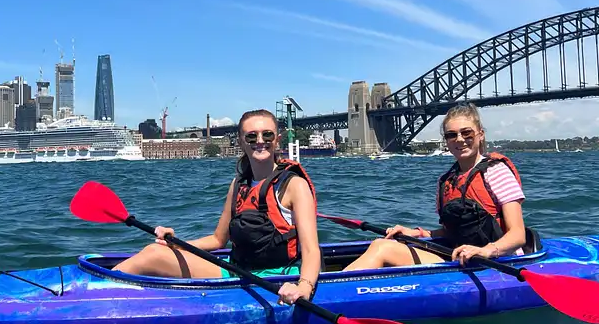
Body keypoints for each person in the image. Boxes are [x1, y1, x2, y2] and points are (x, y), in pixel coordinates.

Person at [112, 109, 322, 305]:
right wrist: (175, 243)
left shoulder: (294, 185)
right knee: (156, 250)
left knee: (153, 256)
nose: (260, 141)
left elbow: (311, 249)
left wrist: (304, 287)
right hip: (237, 272)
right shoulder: (239, 184)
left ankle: (96, 294)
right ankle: (99, 290)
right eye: (251, 136)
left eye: (267, 135)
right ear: (241, 141)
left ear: (277, 139)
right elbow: (218, 240)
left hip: (276, 277)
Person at [344, 102, 526, 270]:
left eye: (467, 133)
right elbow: (452, 233)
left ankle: (329, 296)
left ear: (480, 134)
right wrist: (418, 233)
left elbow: (518, 235)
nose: (460, 139)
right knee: (380, 243)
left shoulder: (497, 172)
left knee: (382, 248)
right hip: (460, 258)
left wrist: (487, 250)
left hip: (498, 261)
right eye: (451, 135)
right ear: (446, 140)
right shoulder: (446, 180)